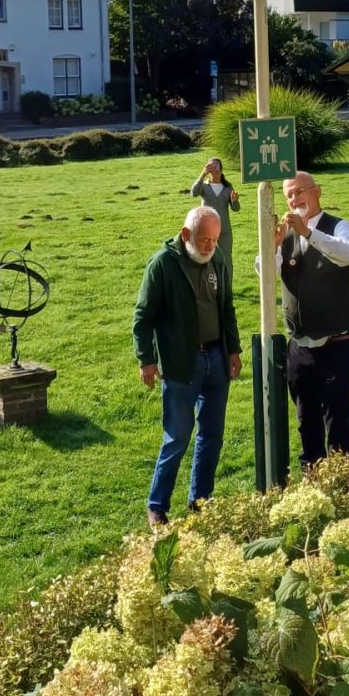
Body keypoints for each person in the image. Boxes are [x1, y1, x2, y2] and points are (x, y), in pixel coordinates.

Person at [133, 204, 242, 527]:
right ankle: (156, 506)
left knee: (212, 435)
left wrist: (232, 350)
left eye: (215, 239)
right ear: (185, 235)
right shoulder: (163, 264)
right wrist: (147, 360)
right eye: (204, 239)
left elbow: (227, 308)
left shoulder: (218, 260)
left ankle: (201, 500)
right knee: (178, 436)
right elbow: (143, 317)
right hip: (182, 364)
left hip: (216, 359)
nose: (210, 246)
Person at [272, 170, 349, 467]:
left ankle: (344, 479)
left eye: (300, 191)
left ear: (317, 191)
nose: (295, 199)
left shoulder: (340, 227)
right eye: (289, 195)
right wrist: (271, 246)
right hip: (301, 344)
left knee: (337, 417)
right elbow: (265, 275)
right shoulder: (285, 233)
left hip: (339, 342)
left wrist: (308, 232)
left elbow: (346, 254)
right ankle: (313, 475)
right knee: (305, 416)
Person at [190, 156, 240, 272]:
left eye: (216, 165)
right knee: (206, 259)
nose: (213, 167)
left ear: (221, 169)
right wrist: (202, 174)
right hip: (206, 231)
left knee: (226, 260)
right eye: (210, 165)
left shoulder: (228, 188)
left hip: (224, 231)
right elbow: (193, 193)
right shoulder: (203, 186)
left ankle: (227, 288)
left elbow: (236, 208)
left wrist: (234, 200)